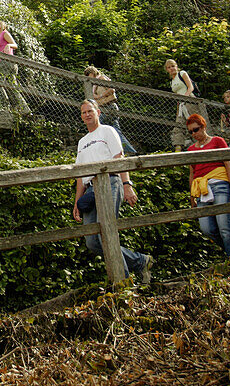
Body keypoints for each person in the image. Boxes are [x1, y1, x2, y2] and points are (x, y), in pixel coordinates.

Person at [72, 100, 153, 282]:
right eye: (83, 112)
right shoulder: (81, 142)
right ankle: (140, 261)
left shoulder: (108, 131)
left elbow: (119, 158)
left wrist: (127, 185)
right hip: (90, 189)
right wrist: (77, 202)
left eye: (90, 111)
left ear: (98, 112)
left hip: (110, 182)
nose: (87, 114)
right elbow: (80, 175)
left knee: (106, 232)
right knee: (92, 241)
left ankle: (123, 283)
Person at [185, 114, 230, 259]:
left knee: (224, 224)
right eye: (190, 132)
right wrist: (192, 196)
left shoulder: (217, 141)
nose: (194, 134)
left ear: (203, 126)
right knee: (206, 228)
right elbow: (192, 173)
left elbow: (228, 163)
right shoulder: (190, 150)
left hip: (220, 183)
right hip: (201, 188)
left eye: (195, 130)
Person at [84, 65, 137, 156]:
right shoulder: (94, 84)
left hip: (109, 108)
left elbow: (111, 89)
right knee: (115, 131)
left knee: (96, 126)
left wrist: (100, 96)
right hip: (105, 108)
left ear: (92, 73)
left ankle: (95, 149)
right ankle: (130, 151)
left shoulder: (101, 78)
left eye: (88, 75)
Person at [0, 20, 27, 110]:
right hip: (5, 63)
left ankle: (5, 105)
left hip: (7, 62)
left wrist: (9, 46)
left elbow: (15, 44)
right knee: (12, 87)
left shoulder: (4, 33)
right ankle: (24, 108)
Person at [164, 59, 196, 150]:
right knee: (178, 125)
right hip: (181, 104)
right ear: (167, 70)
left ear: (176, 66)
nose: (172, 69)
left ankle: (201, 145)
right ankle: (178, 148)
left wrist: (185, 98)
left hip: (190, 101)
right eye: (169, 67)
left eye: (173, 66)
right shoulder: (172, 82)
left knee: (194, 123)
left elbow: (190, 87)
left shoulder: (182, 74)